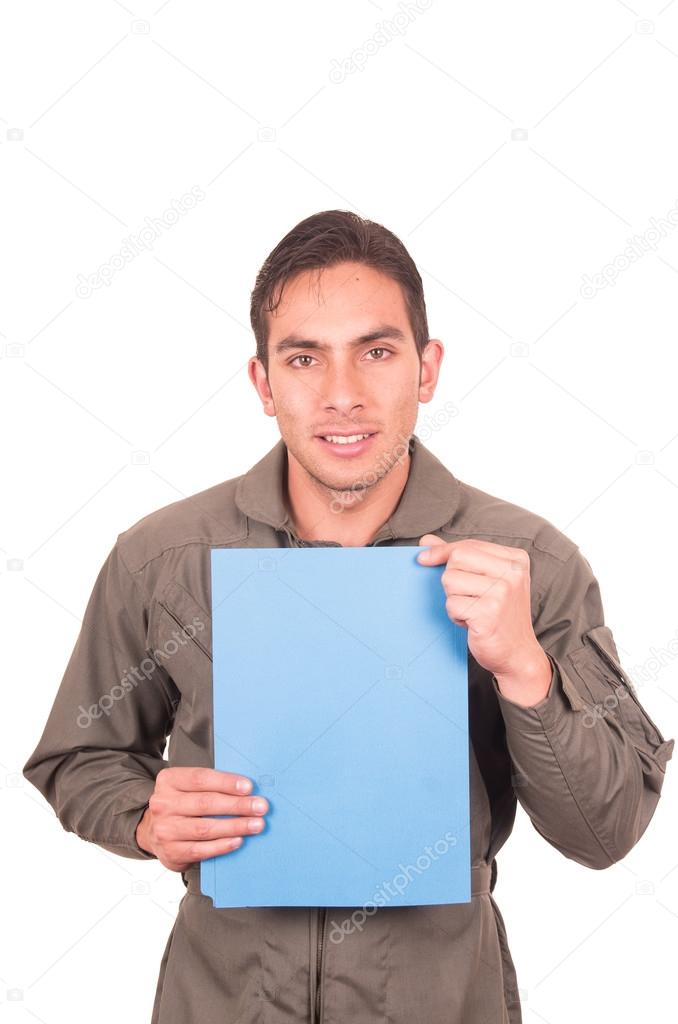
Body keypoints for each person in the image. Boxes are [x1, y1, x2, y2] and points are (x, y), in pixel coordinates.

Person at [23, 210, 674, 1024]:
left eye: (377, 351)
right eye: (304, 357)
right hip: (221, 999)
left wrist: (524, 672)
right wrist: (146, 816)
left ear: (427, 368)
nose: (342, 396)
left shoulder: (529, 563)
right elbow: (79, 756)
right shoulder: (160, 558)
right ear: (264, 383)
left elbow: (603, 833)